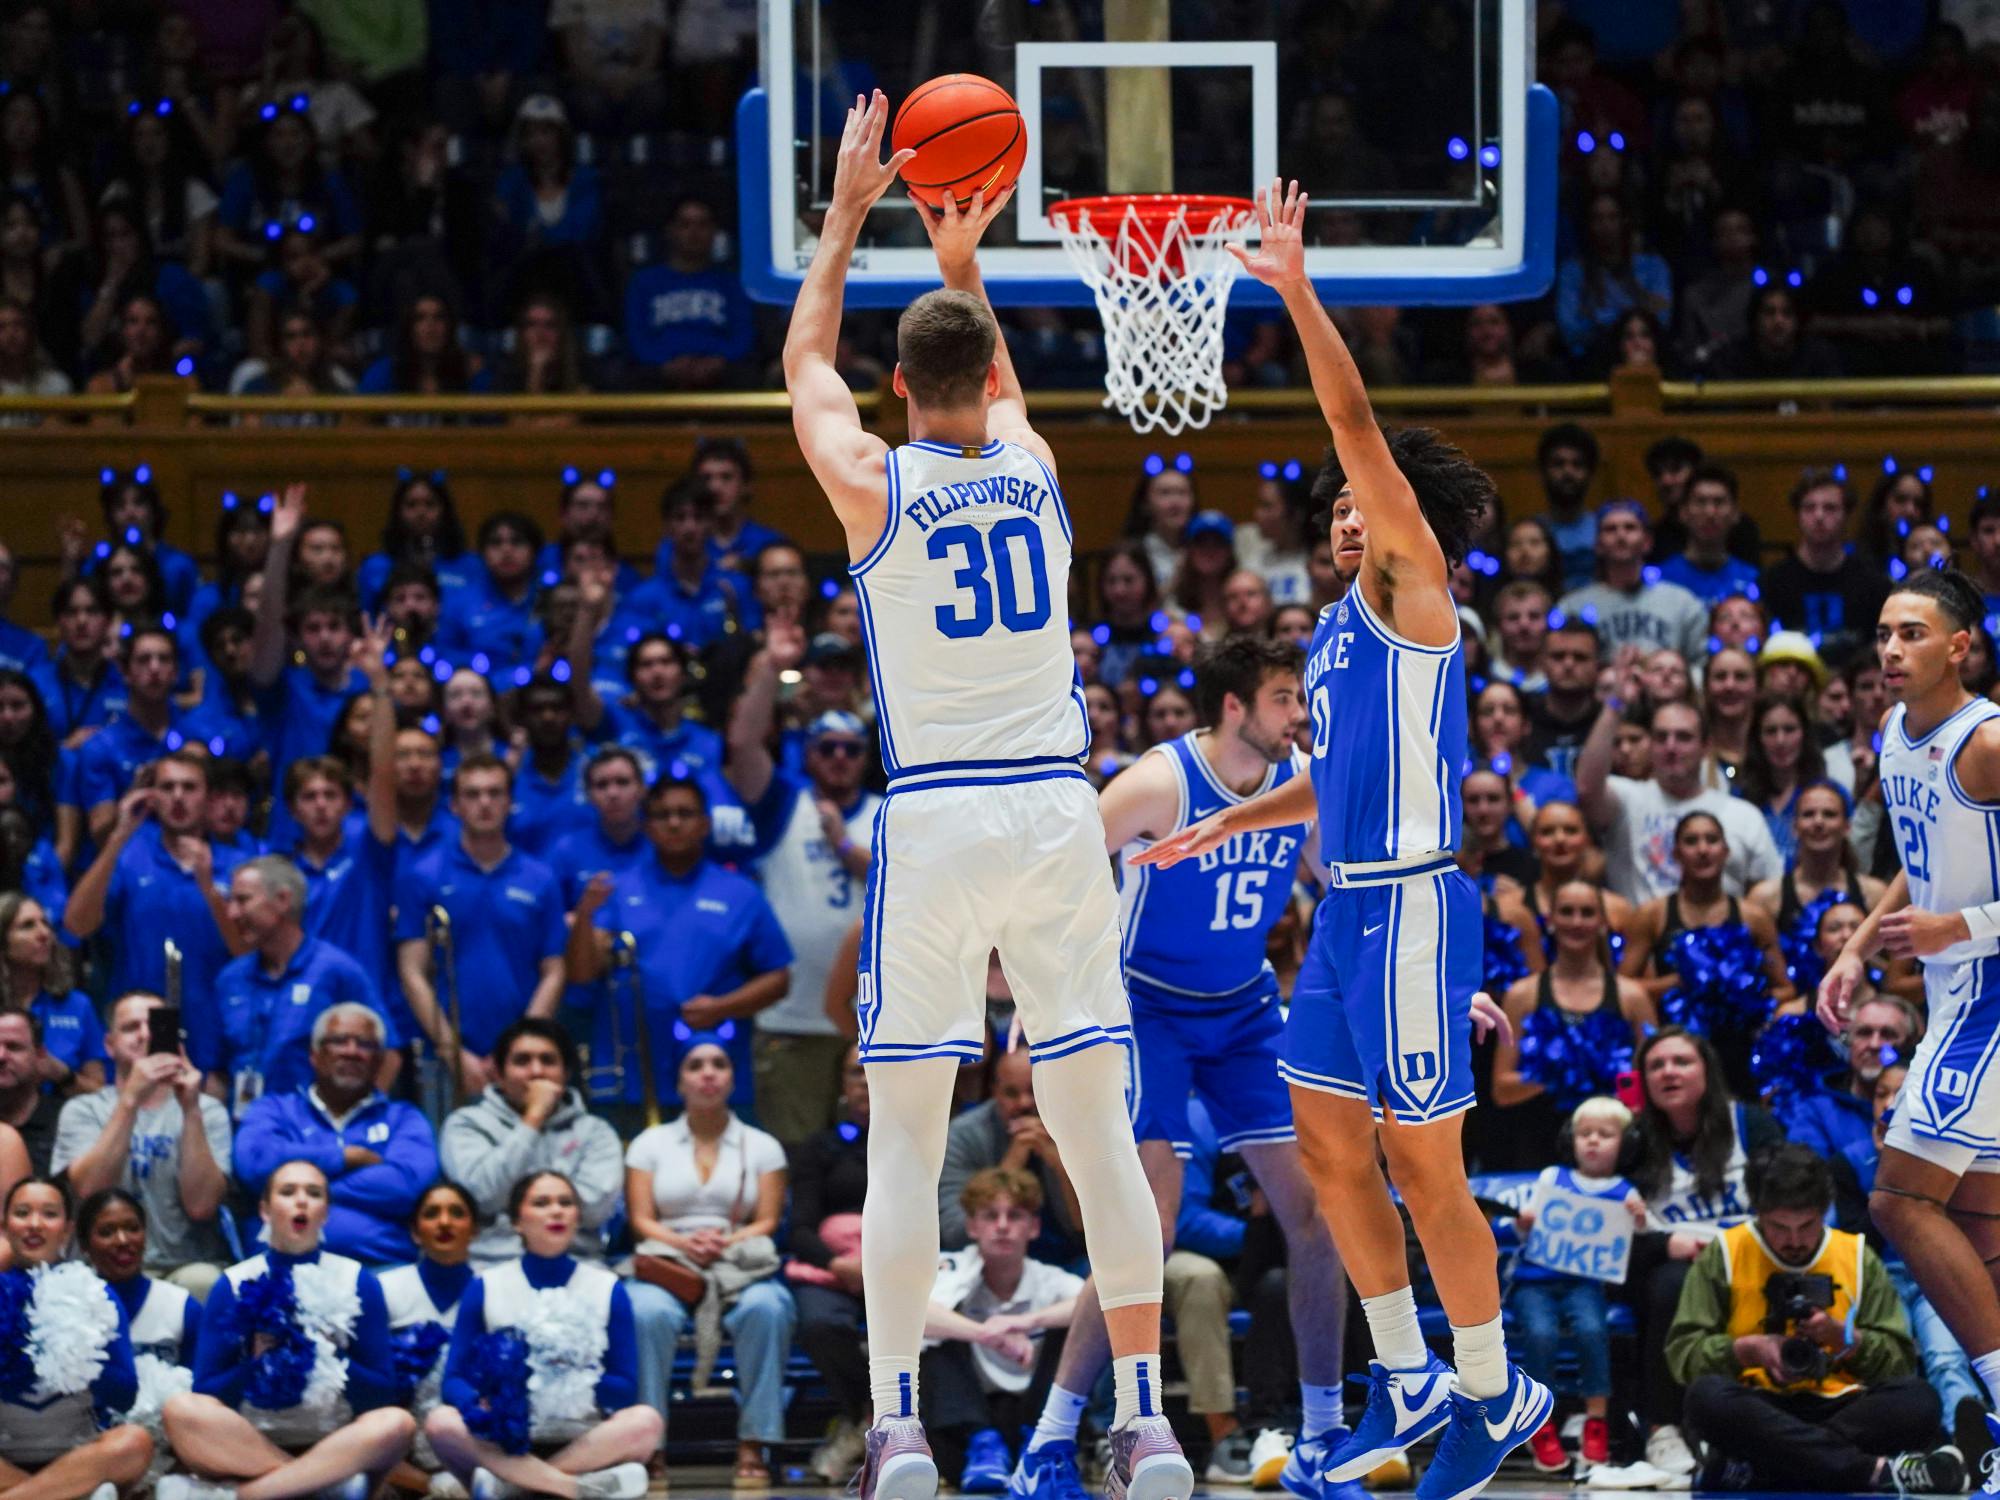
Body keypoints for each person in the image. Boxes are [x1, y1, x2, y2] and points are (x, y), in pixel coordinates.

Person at [783, 94, 1187, 1500]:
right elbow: (992, 369)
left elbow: (802, 362)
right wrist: (963, 257)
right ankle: (1144, 1420)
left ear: (902, 394)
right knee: (1096, 1131)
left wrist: (850, 216)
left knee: (903, 1132)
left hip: (942, 817)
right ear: (987, 381)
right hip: (1058, 815)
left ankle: (898, 1426)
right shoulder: (1035, 463)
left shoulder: (871, 483)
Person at [1134, 179, 1550, 1500]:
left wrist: (1296, 288)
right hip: (1347, 915)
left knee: (1430, 1172)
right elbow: (1331, 782)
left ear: (1406, 515)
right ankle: (1416, 1375)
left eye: (1365, 502)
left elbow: (1354, 424)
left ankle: (1497, 1390)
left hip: (1420, 906)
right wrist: (1223, 826)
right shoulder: (1325, 637)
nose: (1345, 512)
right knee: (1326, 1152)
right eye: (1337, 509)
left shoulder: (1415, 590)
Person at [1008, 632, 1350, 1500]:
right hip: (1144, 1009)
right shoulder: (1161, 782)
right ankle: (1049, 1444)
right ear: (1235, 706)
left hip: (1241, 1012)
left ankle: (1322, 1440)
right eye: (1283, 699)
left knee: (1318, 1212)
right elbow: (1057, 874)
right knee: (1146, 1228)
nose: (1300, 714)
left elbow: (1349, 889)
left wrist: (1437, 987)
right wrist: (1034, 993)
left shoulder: (1297, 785)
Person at [1818, 567, 2000, 1487]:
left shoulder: (1989, 742)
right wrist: (1854, 947)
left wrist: (1957, 929)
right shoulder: (1894, 732)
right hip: (1955, 997)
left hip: (1993, 1000)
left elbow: (1951, 908)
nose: (1891, 649)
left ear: (1959, 647)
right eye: (1885, 633)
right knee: (1980, 1224)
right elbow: (1915, 863)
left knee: (1897, 1198)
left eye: (1913, 634)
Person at [1666, 1143, 1962, 1493]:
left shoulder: (1856, 1256)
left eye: (1806, 1226)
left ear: (1825, 1211)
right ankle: (1875, 1472)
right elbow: (1683, 1356)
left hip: (1842, 1405)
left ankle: (1761, 1469)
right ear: (1758, 1212)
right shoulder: (1724, 1254)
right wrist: (1747, 1350)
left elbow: (1899, 1363)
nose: (1794, 1240)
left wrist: (1846, 1340)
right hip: (1758, 1405)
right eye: (1779, 1227)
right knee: (1706, 1398)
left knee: (1919, 1400)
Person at [159, 1158, 414, 1500]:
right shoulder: (234, 1283)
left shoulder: (358, 1281)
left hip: (336, 1440)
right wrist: (255, 1362)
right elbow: (207, 1390)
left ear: (325, 1212)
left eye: (314, 1193)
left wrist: (328, 1353)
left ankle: (247, 1495)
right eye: (288, 1191)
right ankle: (322, 1488)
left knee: (398, 1424)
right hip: (249, 1441)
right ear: (265, 1210)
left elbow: (382, 1391)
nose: (301, 1200)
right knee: (180, 1410)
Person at [727, 625, 879, 1145]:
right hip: (792, 1024)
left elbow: (909, 889)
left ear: (865, 757)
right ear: (809, 754)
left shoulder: (890, 813)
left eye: (851, 749)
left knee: (879, 1164)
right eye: (828, 748)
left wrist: (843, 847)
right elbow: (743, 745)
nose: (840, 758)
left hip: (876, 1026)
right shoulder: (782, 805)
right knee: (796, 1160)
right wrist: (771, 667)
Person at [424, 1170, 657, 1500]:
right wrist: (486, 1400)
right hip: (504, 1436)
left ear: (577, 1217)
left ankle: (514, 1488)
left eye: (565, 1202)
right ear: (518, 1222)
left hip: (585, 1436)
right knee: (441, 1423)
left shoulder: (606, 1287)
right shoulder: (487, 1286)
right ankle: (571, 1489)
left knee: (646, 1421)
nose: (556, 1211)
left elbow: (625, 1389)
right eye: (542, 1203)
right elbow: (454, 1381)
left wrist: (573, 1374)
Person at [623, 1038, 795, 1484]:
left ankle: (755, 1441)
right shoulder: (650, 1143)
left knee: (768, 1308)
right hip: (668, 1260)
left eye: (719, 1064)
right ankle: (648, 1446)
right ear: (679, 1081)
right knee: (644, 1312)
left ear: (732, 1079)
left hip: (738, 1257)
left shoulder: (761, 1146)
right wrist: (685, 1245)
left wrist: (724, 1241)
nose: (708, 1073)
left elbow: (769, 1220)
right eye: (695, 1065)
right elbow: (642, 1219)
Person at [1621, 1026, 1785, 1482]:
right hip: (1671, 1266)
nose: (1668, 1072)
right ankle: (1662, 1427)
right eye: (1656, 1065)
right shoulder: (1632, 1142)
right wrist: (1662, 1244)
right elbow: (1608, 1237)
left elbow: (1787, 1195)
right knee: (1671, 1283)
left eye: (1681, 1062)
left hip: (1753, 1257)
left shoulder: (1750, 1124)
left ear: (1706, 1071)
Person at [395, 754, 566, 1098]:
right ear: (455, 805)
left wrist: (519, 1048)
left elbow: (554, 970)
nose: (484, 803)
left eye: (494, 793)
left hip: (525, 1061)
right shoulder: (423, 875)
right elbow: (412, 972)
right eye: (472, 795)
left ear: (509, 802)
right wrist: (451, 1050)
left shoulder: (541, 878)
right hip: (445, 1058)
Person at [54, 992, 230, 1296]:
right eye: (131, 1027)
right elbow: (90, 1192)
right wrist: (131, 1100)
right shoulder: (83, 1110)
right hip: (98, 1267)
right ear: (109, 1045)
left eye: (155, 1026)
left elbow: (202, 1206)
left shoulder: (207, 1110)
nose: (145, 1035)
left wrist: (190, 1110)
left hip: (183, 1265)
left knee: (205, 1281)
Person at [234, 1003, 436, 1266]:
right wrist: (343, 1158)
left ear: (379, 1061)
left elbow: (408, 1185)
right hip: (279, 1270)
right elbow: (254, 1164)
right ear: (314, 1055)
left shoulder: (403, 1118)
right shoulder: (274, 1109)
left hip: (382, 1270)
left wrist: (295, 1190)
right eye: (339, 1041)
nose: (352, 1051)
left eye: (365, 1044)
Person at [64, 753, 248, 1036]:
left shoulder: (239, 865)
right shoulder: (129, 856)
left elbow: (250, 955)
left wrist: (209, 886)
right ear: (150, 796)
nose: (177, 797)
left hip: (214, 1022)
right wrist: (118, 836)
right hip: (143, 1022)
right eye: (167, 787)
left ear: (208, 797)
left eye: (189, 787)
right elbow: (77, 924)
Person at [1508, 1098, 1645, 1477]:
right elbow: (1523, 1230)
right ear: (1571, 1139)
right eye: (1585, 1134)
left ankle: (1595, 1422)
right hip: (1534, 1283)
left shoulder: (1625, 1190)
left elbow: (1638, 1237)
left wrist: (1639, 1219)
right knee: (1540, 1334)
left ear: (1626, 1144)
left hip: (1584, 1283)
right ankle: (1541, 1423)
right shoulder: (1552, 1178)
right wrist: (1525, 1222)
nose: (1593, 1142)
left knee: (1591, 1331)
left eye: (1605, 1134)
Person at [1576, 655, 1783, 903]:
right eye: (1662, 738)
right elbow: (1587, 787)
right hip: (1644, 934)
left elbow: (1771, 893)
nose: (1671, 747)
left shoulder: (1743, 816)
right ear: (1651, 746)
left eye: (1683, 737)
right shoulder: (1628, 799)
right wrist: (1615, 704)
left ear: (1706, 747)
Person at [924, 1167, 1082, 1491]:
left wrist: (1025, 1322)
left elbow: (1095, 1305)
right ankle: (983, 1445)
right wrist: (988, 1335)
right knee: (930, 1338)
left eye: (1015, 1215)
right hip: (965, 1432)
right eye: (990, 1215)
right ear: (971, 1226)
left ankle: (1043, 1448)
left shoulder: (1047, 1278)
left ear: (1034, 1227)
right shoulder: (951, 1267)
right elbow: (915, 1316)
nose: (1002, 1226)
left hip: (1031, 1418)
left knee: (1076, 1328)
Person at [0, 1176, 154, 1500]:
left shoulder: (96, 1293)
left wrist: (82, 1360)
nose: (35, 1224)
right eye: (23, 1212)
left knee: (134, 1442)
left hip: (78, 1455)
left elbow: (125, 1395)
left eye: (49, 1214)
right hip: (6, 1458)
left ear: (68, 1229)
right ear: (5, 1225)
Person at [1490, 881, 1655, 1173]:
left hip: (1613, 1153)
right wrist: (1559, 1070)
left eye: (1587, 912)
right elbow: (1502, 1088)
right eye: (1567, 912)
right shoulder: (1522, 995)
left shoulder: (1632, 997)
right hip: (1538, 1147)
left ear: (1603, 922)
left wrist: (1606, 1079)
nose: (1577, 922)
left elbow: (1647, 1083)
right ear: (1550, 921)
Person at [214, 856, 393, 1119]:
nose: (231, 913)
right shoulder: (230, 978)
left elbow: (388, 1054)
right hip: (244, 1130)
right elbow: (216, 1070)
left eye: (243, 900)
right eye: (230, 901)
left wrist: (356, 1122)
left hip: (316, 1134)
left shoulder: (336, 971)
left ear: (283, 900)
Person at [789, 1046, 873, 1480]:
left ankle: (866, 1427)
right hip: (833, 1269)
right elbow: (799, 1228)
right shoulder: (818, 1148)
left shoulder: (919, 1139)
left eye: (872, 1070)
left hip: (899, 1271)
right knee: (820, 1323)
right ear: (842, 1083)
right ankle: (864, 1414)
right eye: (855, 1073)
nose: (864, 1081)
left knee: (929, 1333)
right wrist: (839, 1264)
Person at [78, 1185, 200, 1458]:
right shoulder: (69, 1311)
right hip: (92, 1449)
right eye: (106, 1232)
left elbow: (202, 1398)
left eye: (132, 1228)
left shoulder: (181, 1306)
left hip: (172, 1451)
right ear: (85, 1245)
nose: (123, 1240)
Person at [378, 1181, 475, 1481]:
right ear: (415, 1232)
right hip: (399, 1450)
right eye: (432, 1213)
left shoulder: (496, 1290)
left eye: (457, 1213)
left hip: (474, 1443)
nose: (444, 1222)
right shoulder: (385, 1289)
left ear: (475, 1230)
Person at [1759, 470, 1890, 671]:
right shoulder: (1772, 581)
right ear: (1798, 515)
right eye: (1810, 508)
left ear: (1846, 515)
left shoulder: (1874, 584)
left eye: (1830, 508)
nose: (1819, 516)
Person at [1556, 503, 1707, 666]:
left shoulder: (1683, 604)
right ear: (1597, 545)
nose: (1621, 536)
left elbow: (1699, 668)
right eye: (1610, 529)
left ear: (1647, 542)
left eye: (1630, 528)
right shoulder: (1573, 607)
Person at [0, 892, 104, 1095]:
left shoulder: (77, 1005)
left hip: (61, 1119)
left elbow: (101, 1094)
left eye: (46, 924)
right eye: (27, 926)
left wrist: (63, 1075)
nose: (44, 934)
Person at [1656, 466, 1761, 609]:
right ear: (1683, 512)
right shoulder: (1662, 580)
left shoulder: (1752, 580)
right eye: (1700, 502)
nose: (1710, 513)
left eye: (1719, 502)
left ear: (1735, 513)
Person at [1530, 423, 1602, 592]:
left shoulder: (1604, 528)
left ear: (1589, 473)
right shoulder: (1531, 532)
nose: (1568, 472)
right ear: (1544, 471)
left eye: (1577, 464)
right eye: (1558, 464)